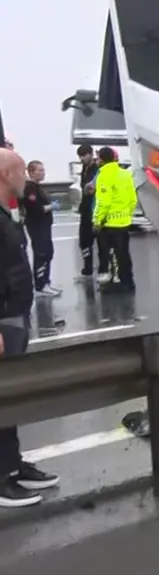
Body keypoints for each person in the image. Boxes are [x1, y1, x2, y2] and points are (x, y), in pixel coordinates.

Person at [0, 149, 60, 507]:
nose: (28, 179)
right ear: (7, 173)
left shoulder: (5, 211)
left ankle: (11, 463)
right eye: (23, 172)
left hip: (13, 317)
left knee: (11, 397)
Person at [93, 146, 137, 291]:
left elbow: (103, 202)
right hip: (124, 221)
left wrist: (97, 220)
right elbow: (133, 199)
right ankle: (128, 280)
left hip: (109, 223)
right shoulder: (125, 174)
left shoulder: (104, 175)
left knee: (111, 253)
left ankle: (116, 283)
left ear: (101, 159)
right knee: (124, 253)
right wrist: (127, 214)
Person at [22, 161, 59, 297]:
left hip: (44, 224)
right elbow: (34, 208)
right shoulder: (29, 188)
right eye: (40, 170)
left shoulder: (38, 187)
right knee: (41, 253)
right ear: (32, 172)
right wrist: (51, 207)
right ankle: (40, 285)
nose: (43, 172)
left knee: (48, 252)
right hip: (37, 225)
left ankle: (46, 282)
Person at [75, 144, 104, 280]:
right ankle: (87, 269)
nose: (81, 159)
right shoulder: (84, 169)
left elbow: (93, 189)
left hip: (95, 209)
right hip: (85, 210)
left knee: (101, 241)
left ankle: (103, 270)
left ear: (90, 154)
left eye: (84, 155)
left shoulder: (97, 169)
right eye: (80, 156)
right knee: (84, 241)